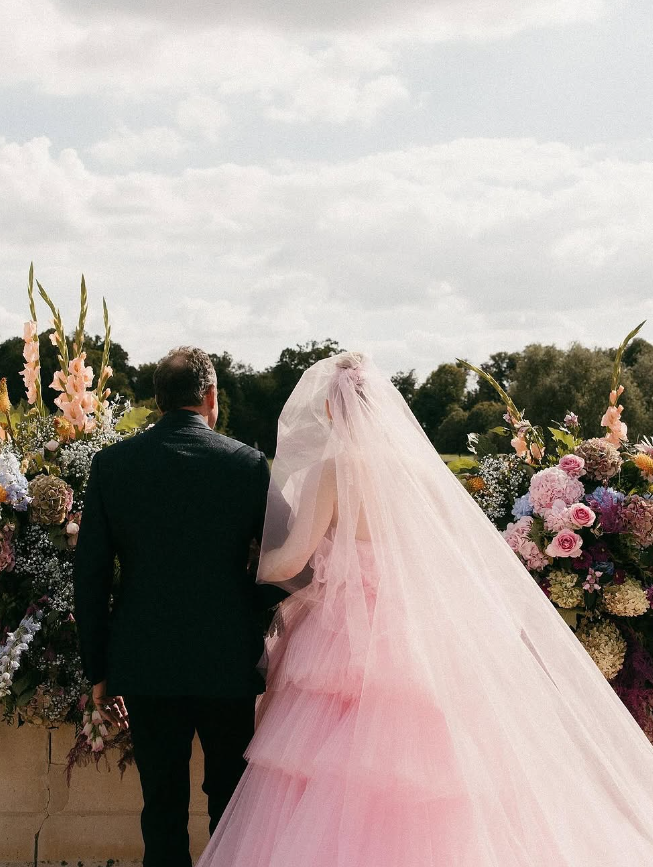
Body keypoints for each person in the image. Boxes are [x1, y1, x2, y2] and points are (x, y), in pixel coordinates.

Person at [197, 350, 653, 867]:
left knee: (327, 763)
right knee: (424, 765)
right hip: (412, 629)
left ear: (329, 411)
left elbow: (291, 561)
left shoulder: (333, 472)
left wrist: (249, 561)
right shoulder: (419, 472)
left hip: (341, 632)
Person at [73, 346, 285, 867]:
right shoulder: (245, 463)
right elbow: (278, 568)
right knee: (230, 804)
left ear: (157, 400)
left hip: (147, 662)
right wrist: (243, 603)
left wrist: (98, 671)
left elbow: (91, 577)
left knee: (162, 806)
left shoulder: (112, 465)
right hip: (226, 660)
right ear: (211, 396)